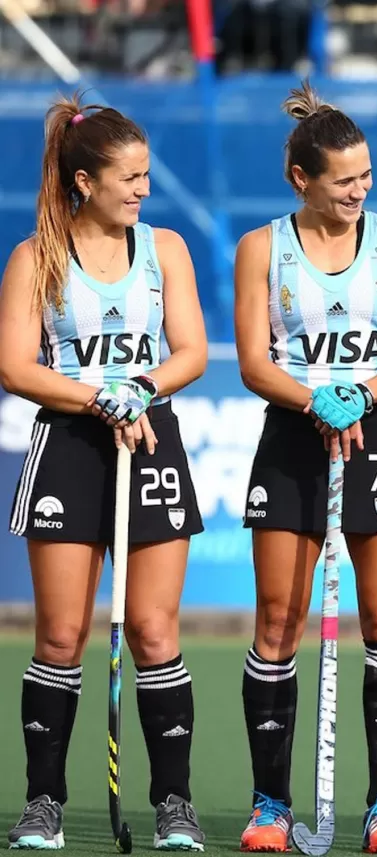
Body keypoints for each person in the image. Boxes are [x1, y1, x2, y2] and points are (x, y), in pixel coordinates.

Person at [0, 94, 208, 850]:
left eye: (147, 176)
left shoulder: (165, 251)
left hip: (150, 446)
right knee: (60, 634)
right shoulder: (36, 257)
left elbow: (190, 349)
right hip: (68, 448)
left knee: (153, 630)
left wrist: (141, 388)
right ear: (84, 180)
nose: (143, 190)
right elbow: (15, 367)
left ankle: (174, 803)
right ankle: (43, 801)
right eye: (130, 177)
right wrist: (98, 395)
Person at [233, 81, 377, 854]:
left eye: (366, 175)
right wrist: (316, 398)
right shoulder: (263, 247)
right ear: (301, 180)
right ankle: (271, 804)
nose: (359, 190)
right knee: (278, 622)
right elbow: (254, 361)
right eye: (344, 179)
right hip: (293, 439)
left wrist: (364, 391)